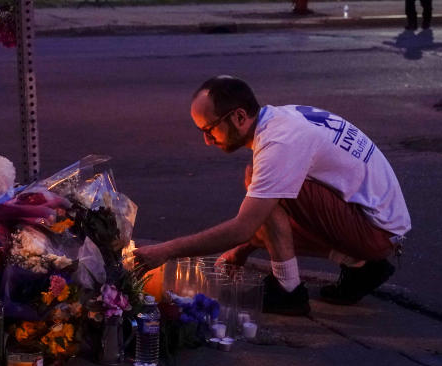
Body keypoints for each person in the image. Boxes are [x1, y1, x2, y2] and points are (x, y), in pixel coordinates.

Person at [134, 76, 411, 316]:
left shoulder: (279, 143)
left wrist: (166, 251)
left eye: (209, 129)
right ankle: (360, 266)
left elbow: (244, 227)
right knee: (264, 190)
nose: (207, 140)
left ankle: (287, 291)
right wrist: (244, 250)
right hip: (377, 222)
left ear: (239, 116)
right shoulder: (278, 120)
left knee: (261, 187)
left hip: (377, 230)